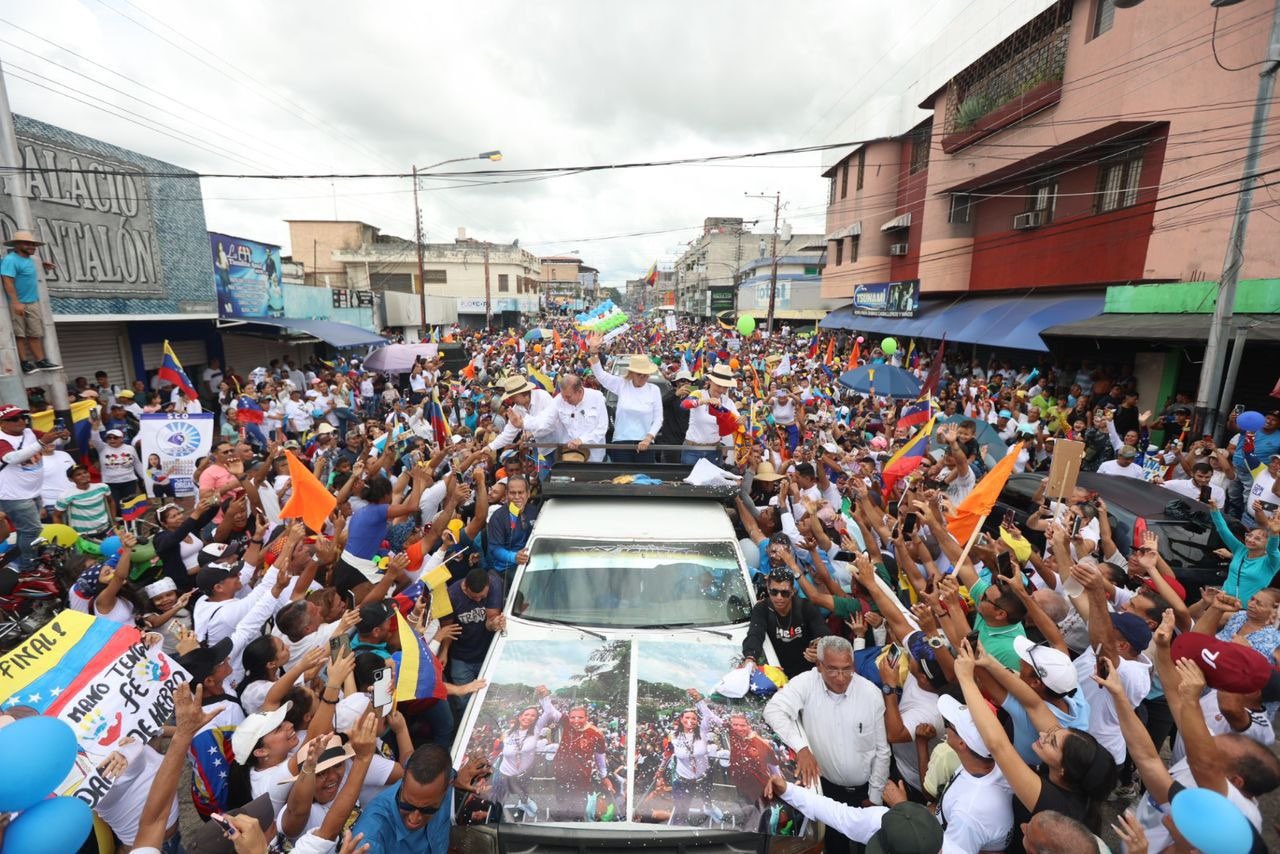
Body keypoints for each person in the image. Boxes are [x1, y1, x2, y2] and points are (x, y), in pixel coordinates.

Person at [953, 641, 1117, 847]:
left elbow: (999, 746)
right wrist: (989, 662)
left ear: (1064, 770)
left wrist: (966, 679)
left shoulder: (1057, 804)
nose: (1044, 734)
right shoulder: (1070, 773)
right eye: (1055, 732)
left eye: (1052, 742)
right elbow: (1035, 705)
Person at [764, 635, 890, 854]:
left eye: (847, 669)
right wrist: (802, 748)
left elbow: (882, 750)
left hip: (865, 793)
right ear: (819, 665)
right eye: (832, 669)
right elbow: (773, 710)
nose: (841, 678)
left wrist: (875, 797)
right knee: (834, 846)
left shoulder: (871, 694)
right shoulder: (806, 682)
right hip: (828, 791)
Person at [0, 404, 67, 570]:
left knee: (26, 532)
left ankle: (20, 564)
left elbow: (55, 442)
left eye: (23, 417)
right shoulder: (2, 439)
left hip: (34, 493)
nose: (21, 421)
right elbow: (11, 458)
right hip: (15, 496)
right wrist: (42, 442)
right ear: (2, 423)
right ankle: (29, 568)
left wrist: (64, 436)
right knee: (32, 530)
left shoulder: (30, 432)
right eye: (14, 419)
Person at [741, 569, 828, 678]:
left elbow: (822, 631)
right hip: (777, 671)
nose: (779, 597)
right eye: (774, 592)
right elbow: (755, 634)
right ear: (768, 589)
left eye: (785, 593)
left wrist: (819, 648)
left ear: (792, 591)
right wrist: (750, 658)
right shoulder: (762, 608)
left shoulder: (805, 607)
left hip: (807, 672)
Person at [588, 339, 663, 463]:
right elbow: (601, 375)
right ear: (632, 373)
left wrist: (648, 438)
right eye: (639, 374)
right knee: (622, 474)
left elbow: (658, 418)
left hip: (645, 443)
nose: (643, 377)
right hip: (621, 441)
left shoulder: (654, 390)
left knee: (643, 475)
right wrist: (593, 353)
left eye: (646, 375)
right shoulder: (622, 384)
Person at [490, 686, 558, 820]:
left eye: (533, 715)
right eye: (526, 714)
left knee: (523, 795)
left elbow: (549, 712)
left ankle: (526, 808)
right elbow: (499, 752)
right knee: (499, 800)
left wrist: (544, 696)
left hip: (523, 774)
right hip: (504, 774)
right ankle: (495, 819)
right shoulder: (507, 733)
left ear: (536, 719)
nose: (529, 717)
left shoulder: (536, 729)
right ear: (520, 716)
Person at [1, 230, 59, 373]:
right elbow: (7, 281)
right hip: (18, 302)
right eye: (27, 244)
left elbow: (26, 268)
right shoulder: (10, 260)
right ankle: (24, 363)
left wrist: (42, 264)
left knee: (35, 333)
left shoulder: (30, 259)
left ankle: (40, 361)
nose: (32, 247)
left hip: (32, 301)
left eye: (33, 244)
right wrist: (16, 302)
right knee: (20, 334)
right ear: (17, 245)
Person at [1208, 498, 1280, 604]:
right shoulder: (1240, 549)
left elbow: (1272, 549)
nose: (1250, 540)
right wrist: (1214, 509)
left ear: (1267, 544)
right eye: (1249, 535)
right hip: (1221, 601)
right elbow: (1223, 530)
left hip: (1245, 609)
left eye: (1257, 539)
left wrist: (1274, 533)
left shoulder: (1272, 561)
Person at [681, 364, 739, 465]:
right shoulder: (698, 393)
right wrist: (705, 401)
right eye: (718, 385)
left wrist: (741, 420)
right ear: (710, 381)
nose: (721, 390)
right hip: (693, 449)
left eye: (725, 387)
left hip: (714, 450)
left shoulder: (727, 401)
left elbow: (735, 419)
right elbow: (684, 404)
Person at [485, 474, 537, 581]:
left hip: (532, 562)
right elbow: (495, 549)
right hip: (507, 569)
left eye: (520, 492)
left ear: (528, 494)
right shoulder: (498, 517)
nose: (517, 497)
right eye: (513, 493)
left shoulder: (534, 511)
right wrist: (514, 557)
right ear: (506, 494)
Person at [54, 464, 114, 535]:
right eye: (78, 474)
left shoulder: (102, 487)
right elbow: (56, 516)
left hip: (106, 529)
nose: (83, 475)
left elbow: (111, 502)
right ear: (71, 479)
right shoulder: (66, 496)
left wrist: (113, 521)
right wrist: (64, 534)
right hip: (83, 535)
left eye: (85, 472)